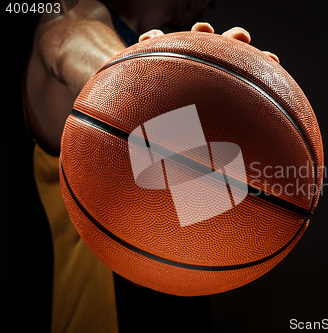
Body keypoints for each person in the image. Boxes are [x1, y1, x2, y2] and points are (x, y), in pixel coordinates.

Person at [23, 0, 279, 332]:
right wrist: (141, 81)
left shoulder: (178, 54)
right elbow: (67, 41)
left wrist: (243, 127)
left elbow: (195, 237)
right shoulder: (74, 13)